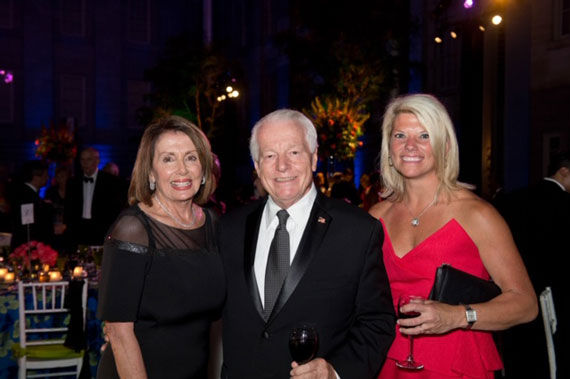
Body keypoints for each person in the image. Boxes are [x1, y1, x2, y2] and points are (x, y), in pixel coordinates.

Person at [368, 94, 538, 378]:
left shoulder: (477, 215)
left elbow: (526, 304)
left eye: (424, 135)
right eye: (400, 135)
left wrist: (456, 316)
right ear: (389, 148)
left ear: (444, 147)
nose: (411, 145)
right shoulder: (376, 216)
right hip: (389, 361)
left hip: (458, 364)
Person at [219, 109, 395, 378]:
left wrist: (336, 371)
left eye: (294, 152)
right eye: (269, 155)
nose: (282, 166)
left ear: (314, 158)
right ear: (256, 165)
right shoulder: (229, 228)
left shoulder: (357, 230)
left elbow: (377, 322)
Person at [96, 115, 225, 378]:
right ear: (151, 171)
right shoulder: (133, 229)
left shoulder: (212, 223)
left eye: (191, 157)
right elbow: (119, 333)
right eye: (168, 159)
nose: (182, 170)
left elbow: (217, 319)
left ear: (203, 168)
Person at [497, 150, 570, 378]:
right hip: (549, 296)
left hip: (511, 293)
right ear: (564, 171)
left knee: (518, 357)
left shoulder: (513, 198)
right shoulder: (563, 204)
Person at [64, 147, 125, 248]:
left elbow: (116, 209)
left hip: (101, 230)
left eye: (89, 159)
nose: (85, 163)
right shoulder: (72, 182)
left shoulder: (111, 182)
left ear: (97, 161)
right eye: (82, 160)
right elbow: (68, 208)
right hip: (78, 230)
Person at [9, 160, 54, 248]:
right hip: (27, 248)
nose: (48, 178)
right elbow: (28, 227)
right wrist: (52, 229)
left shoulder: (25, 192)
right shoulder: (27, 196)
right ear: (36, 177)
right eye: (46, 175)